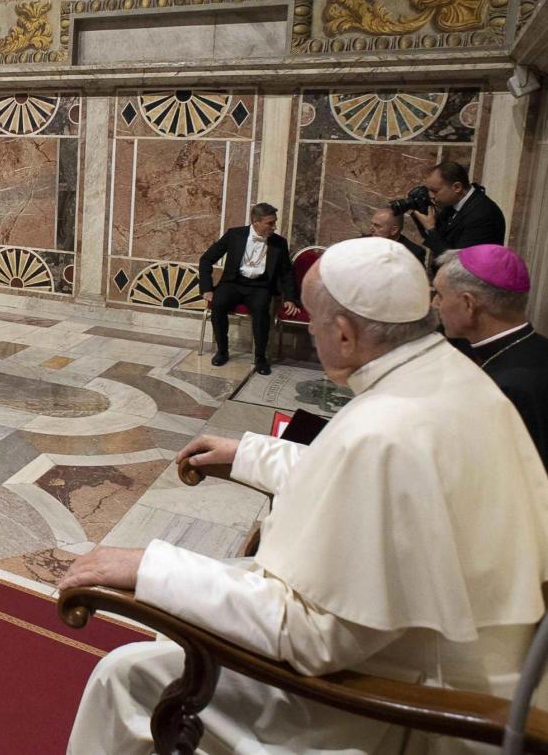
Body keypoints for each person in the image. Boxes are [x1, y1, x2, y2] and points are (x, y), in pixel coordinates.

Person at [61, 237, 548, 753]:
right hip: (429, 652)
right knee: (186, 622)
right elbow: (365, 485)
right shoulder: (447, 378)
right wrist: (247, 454)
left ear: (342, 334)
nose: (311, 332)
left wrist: (151, 569)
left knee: (124, 677)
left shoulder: (385, 428)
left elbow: (315, 638)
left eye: (313, 322)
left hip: (396, 704)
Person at [433, 245, 548, 467]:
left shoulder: (504, 389)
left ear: (468, 304)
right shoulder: (537, 347)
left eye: (439, 294)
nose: (435, 304)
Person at [198, 202, 301, 375]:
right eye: (270, 223)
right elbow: (206, 259)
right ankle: (222, 351)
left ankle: (261, 358)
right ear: (255, 221)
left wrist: (290, 298)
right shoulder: (234, 235)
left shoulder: (279, 243)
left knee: (262, 311)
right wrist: (207, 288)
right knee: (218, 304)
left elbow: (286, 273)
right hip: (233, 283)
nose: (274, 227)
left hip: (260, 286)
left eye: (274, 222)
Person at [411, 161, 506, 255]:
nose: (431, 196)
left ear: (457, 187)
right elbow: (438, 237)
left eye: (435, 191)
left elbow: (459, 261)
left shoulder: (482, 214)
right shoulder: (452, 203)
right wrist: (422, 211)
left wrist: (430, 228)